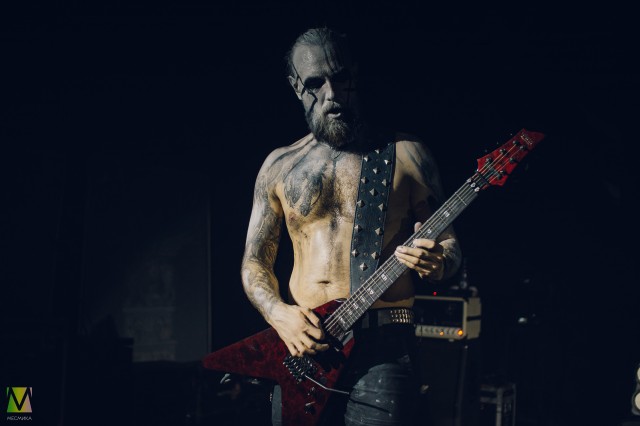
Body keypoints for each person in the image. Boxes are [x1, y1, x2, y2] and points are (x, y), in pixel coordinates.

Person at [239, 27, 462, 426]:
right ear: (296, 86)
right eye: (315, 83)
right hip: (306, 352)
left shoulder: (406, 154)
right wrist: (278, 314)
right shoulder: (278, 166)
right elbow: (254, 261)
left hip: (383, 349)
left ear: (355, 76)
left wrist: (438, 262)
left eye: (339, 78)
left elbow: (449, 247)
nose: (332, 94)